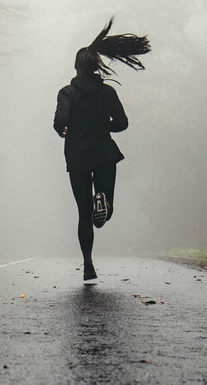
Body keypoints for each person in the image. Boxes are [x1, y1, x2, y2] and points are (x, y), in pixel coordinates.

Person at [53, 18, 151, 281]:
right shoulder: (107, 92)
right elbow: (122, 123)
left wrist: (64, 128)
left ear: (75, 66)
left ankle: (88, 265)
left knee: (84, 214)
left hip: (77, 159)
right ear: (96, 66)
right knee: (106, 208)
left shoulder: (66, 93)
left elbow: (59, 121)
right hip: (104, 155)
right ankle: (104, 199)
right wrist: (103, 125)